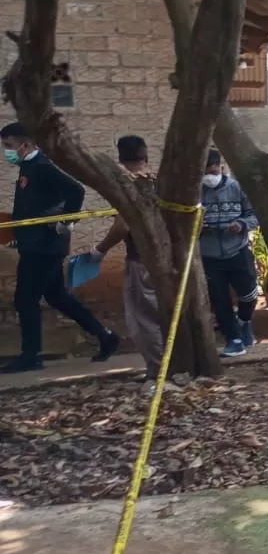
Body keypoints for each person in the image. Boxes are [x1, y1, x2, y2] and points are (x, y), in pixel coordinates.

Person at [0, 122, 120, 373]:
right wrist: (19, 234)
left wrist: (67, 221)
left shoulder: (43, 166)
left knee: (25, 300)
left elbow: (75, 190)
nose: (7, 151)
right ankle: (105, 335)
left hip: (44, 247)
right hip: (33, 244)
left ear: (26, 143)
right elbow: (32, 208)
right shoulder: (28, 167)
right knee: (57, 297)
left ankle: (31, 355)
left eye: (9, 146)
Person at [93, 136, 164, 379]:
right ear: (145, 156)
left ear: (120, 160)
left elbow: (122, 226)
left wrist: (99, 250)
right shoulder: (160, 182)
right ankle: (173, 366)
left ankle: (158, 371)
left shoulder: (127, 185)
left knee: (144, 321)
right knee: (165, 317)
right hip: (171, 261)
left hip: (141, 261)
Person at [198, 148, 261, 357]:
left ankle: (244, 321)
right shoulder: (195, 191)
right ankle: (233, 339)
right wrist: (199, 227)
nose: (209, 177)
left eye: (213, 172)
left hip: (238, 250)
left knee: (249, 292)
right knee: (219, 299)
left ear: (221, 167)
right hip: (209, 255)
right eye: (205, 173)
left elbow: (254, 215)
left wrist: (241, 224)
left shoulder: (237, 187)